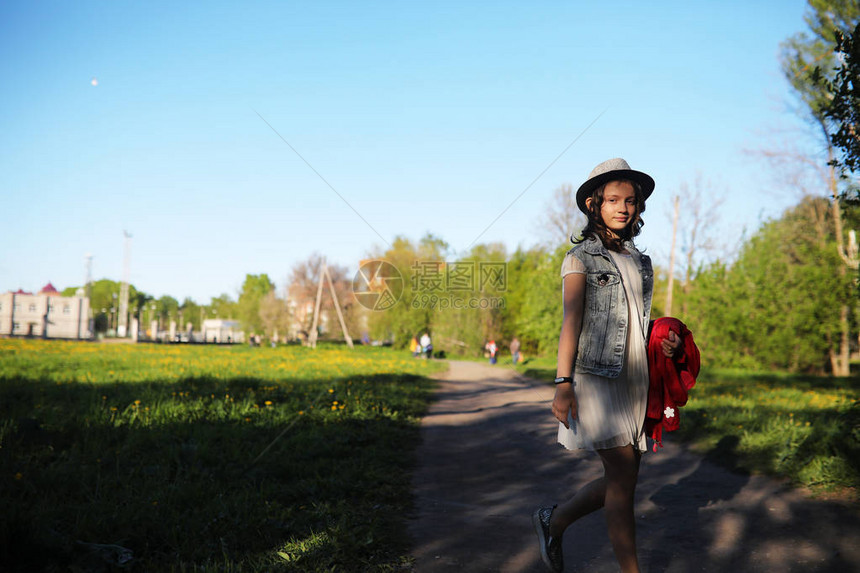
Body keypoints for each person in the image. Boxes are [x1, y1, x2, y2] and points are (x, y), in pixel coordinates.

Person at [532, 158, 681, 573]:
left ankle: (554, 521)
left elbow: (635, 320)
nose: (623, 207)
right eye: (613, 199)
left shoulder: (641, 261)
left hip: (636, 378)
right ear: (593, 204)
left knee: (625, 477)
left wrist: (662, 343)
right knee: (621, 475)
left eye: (630, 200)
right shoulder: (580, 258)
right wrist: (563, 382)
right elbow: (571, 322)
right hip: (596, 379)